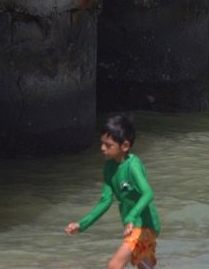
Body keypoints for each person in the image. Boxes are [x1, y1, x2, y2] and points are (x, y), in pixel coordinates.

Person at [65, 115, 161, 269]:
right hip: (134, 226)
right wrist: (82, 224)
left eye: (108, 145)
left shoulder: (133, 165)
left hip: (145, 226)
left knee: (114, 266)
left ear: (125, 146)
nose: (102, 148)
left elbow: (148, 193)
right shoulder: (109, 168)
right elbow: (105, 201)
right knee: (144, 266)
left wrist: (131, 216)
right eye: (102, 143)